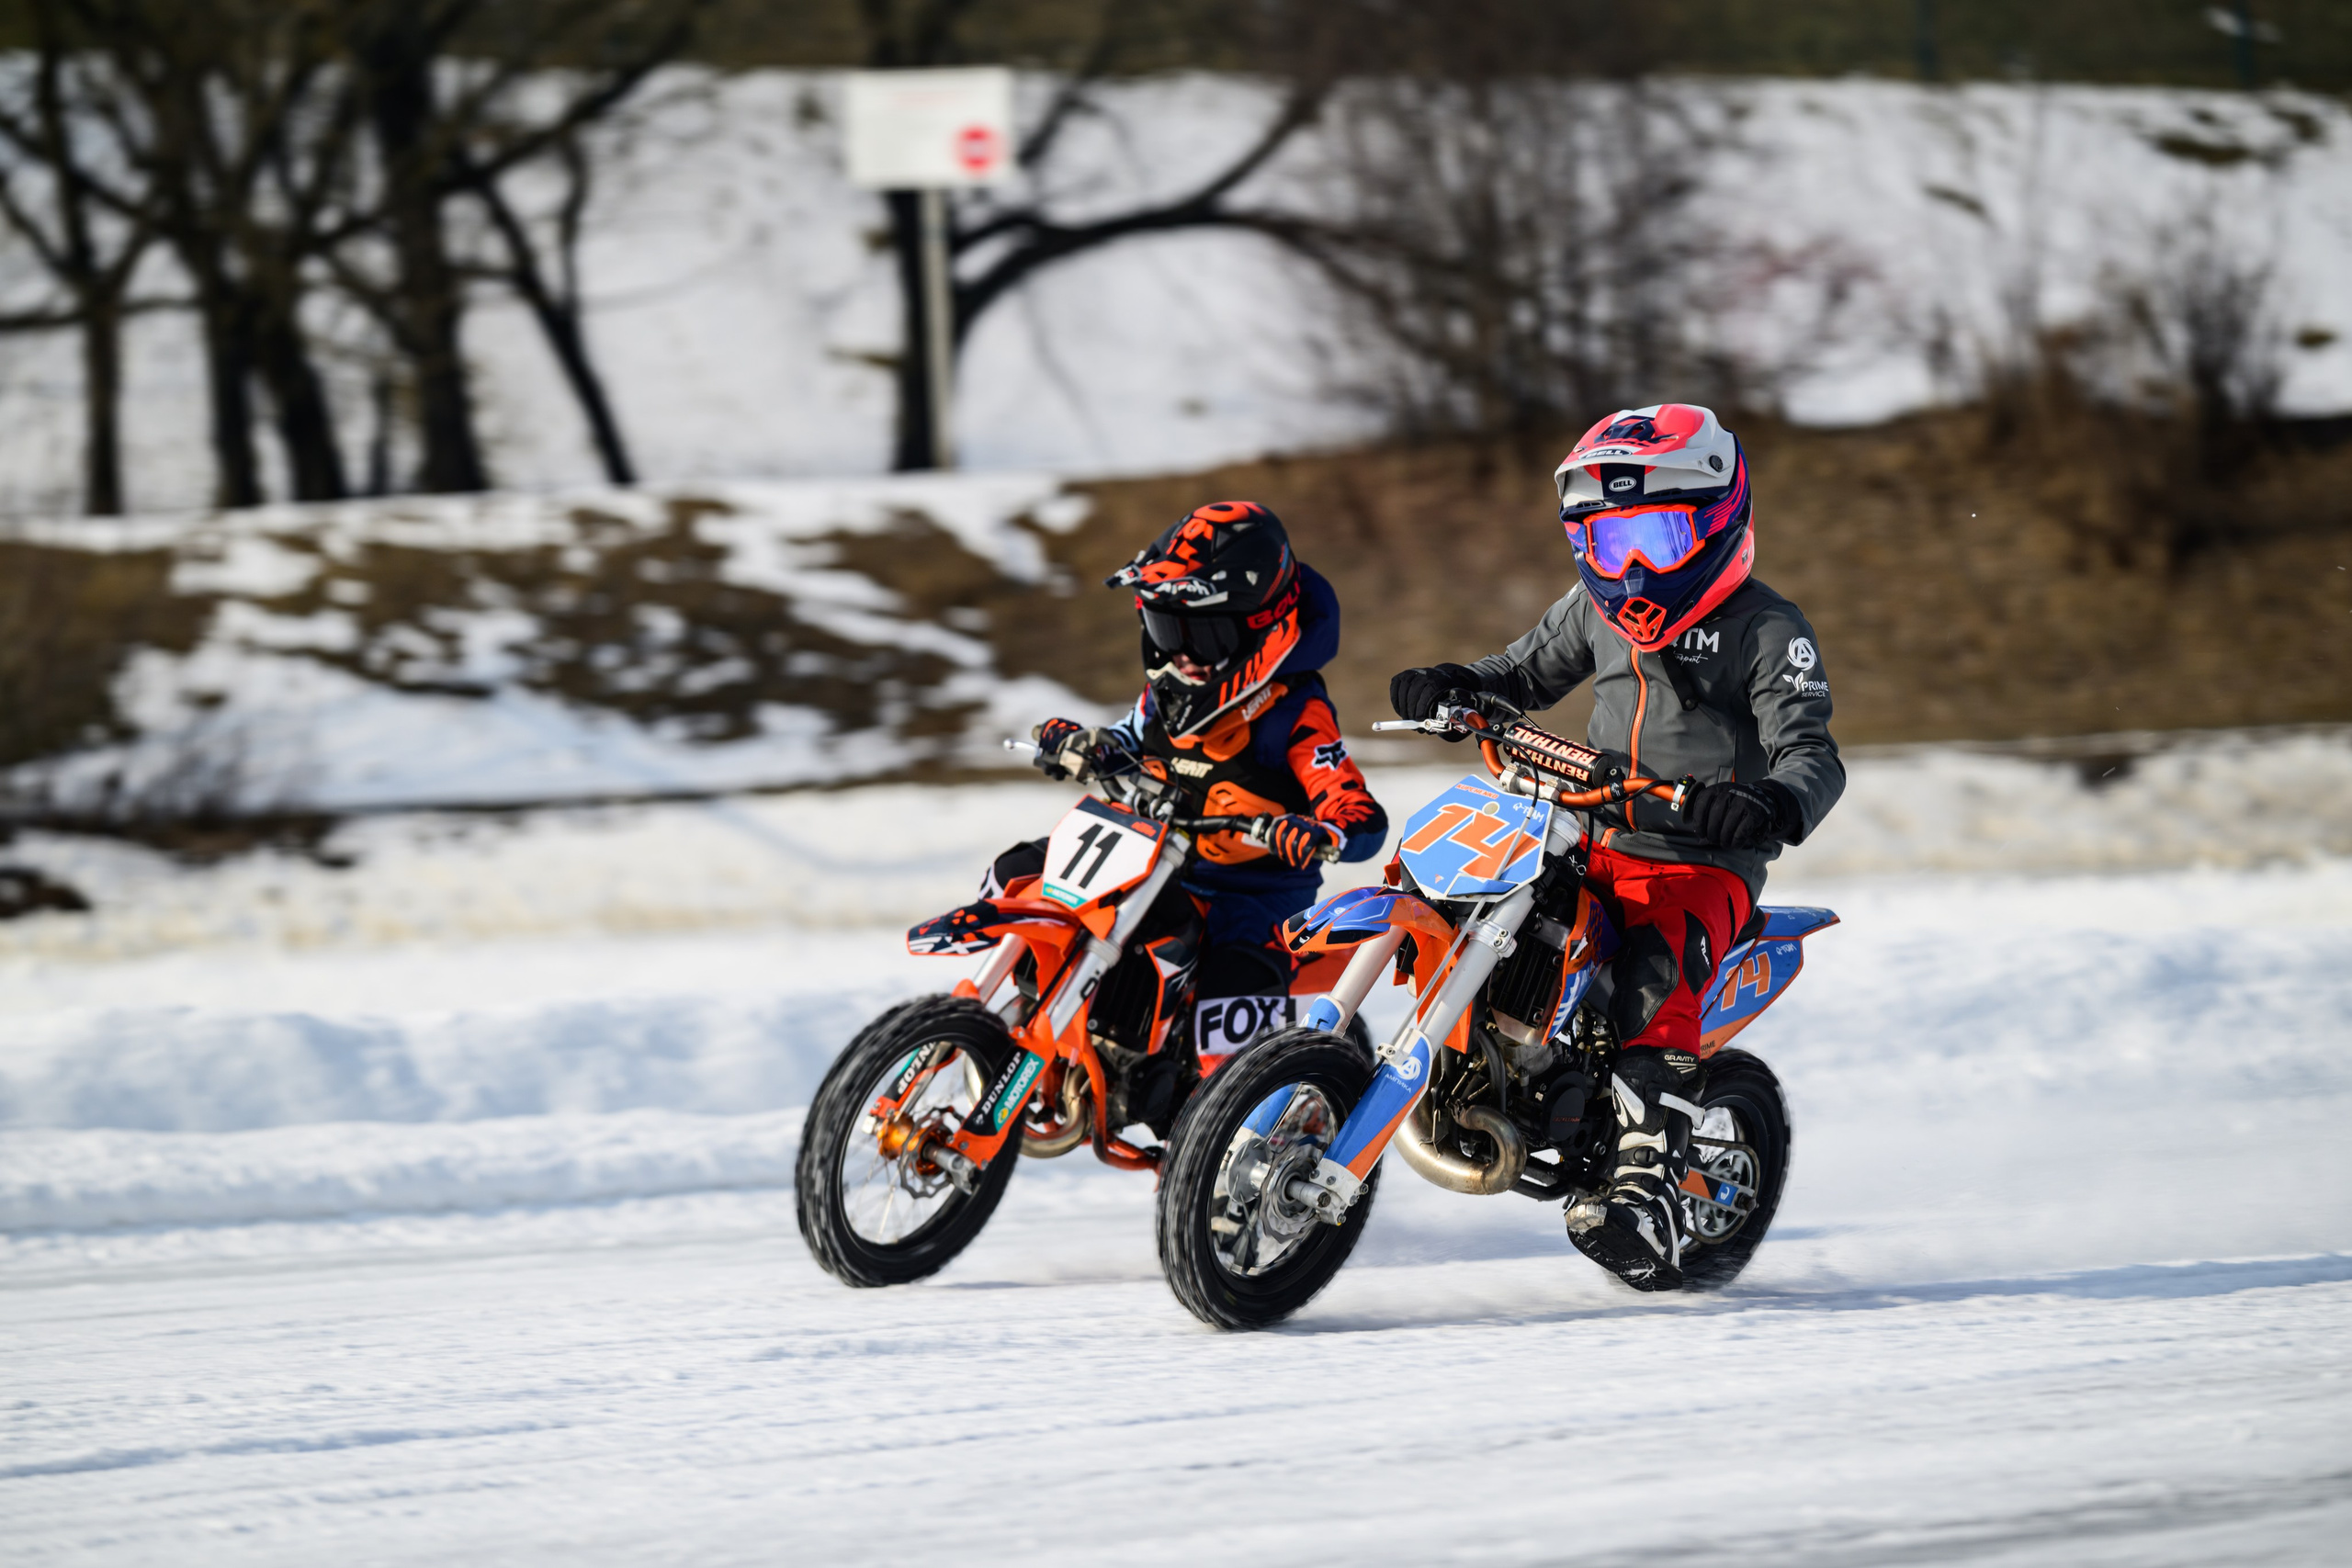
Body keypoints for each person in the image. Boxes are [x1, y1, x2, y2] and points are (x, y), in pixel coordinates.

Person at [1388, 404, 1843, 1291]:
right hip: (1588, 830)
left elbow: (1812, 751)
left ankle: (1643, 1188)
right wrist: (1453, 684)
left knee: (1652, 979)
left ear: (1719, 524)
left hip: (1699, 862)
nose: (1630, 566)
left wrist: (1768, 802)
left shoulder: (1768, 629)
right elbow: (1518, 672)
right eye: (1607, 542)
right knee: (1475, 895)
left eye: (1658, 537)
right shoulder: (1592, 614)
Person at [1015, 501, 1388, 1119]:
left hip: (1253, 897)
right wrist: (1085, 744)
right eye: (1167, 629)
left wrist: (1317, 831)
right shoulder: (1167, 695)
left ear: (1259, 630)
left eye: (1202, 633)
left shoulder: (1294, 710)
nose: (1181, 654)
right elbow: (1127, 739)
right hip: (1156, 866)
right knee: (1033, 876)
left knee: (1229, 1000)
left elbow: (1356, 810)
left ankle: (1233, 1131)